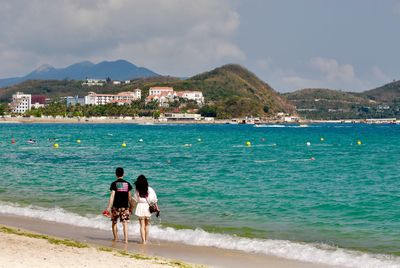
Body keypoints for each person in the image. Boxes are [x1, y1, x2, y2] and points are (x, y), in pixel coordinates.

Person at [105, 167, 133, 243]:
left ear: (116, 174)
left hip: (115, 207)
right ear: (123, 174)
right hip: (125, 207)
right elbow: (129, 197)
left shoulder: (114, 184)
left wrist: (108, 207)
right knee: (125, 223)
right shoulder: (127, 184)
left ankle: (116, 238)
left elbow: (112, 196)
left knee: (114, 222)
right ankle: (126, 240)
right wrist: (131, 206)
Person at [132, 175, 158, 244]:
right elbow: (154, 200)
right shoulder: (150, 189)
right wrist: (157, 208)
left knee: (142, 225)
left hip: (140, 207)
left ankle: (143, 241)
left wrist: (131, 208)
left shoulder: (137, 190)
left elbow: (134, 200)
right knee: (147, 225)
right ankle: (146, 240)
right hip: (148, 208)